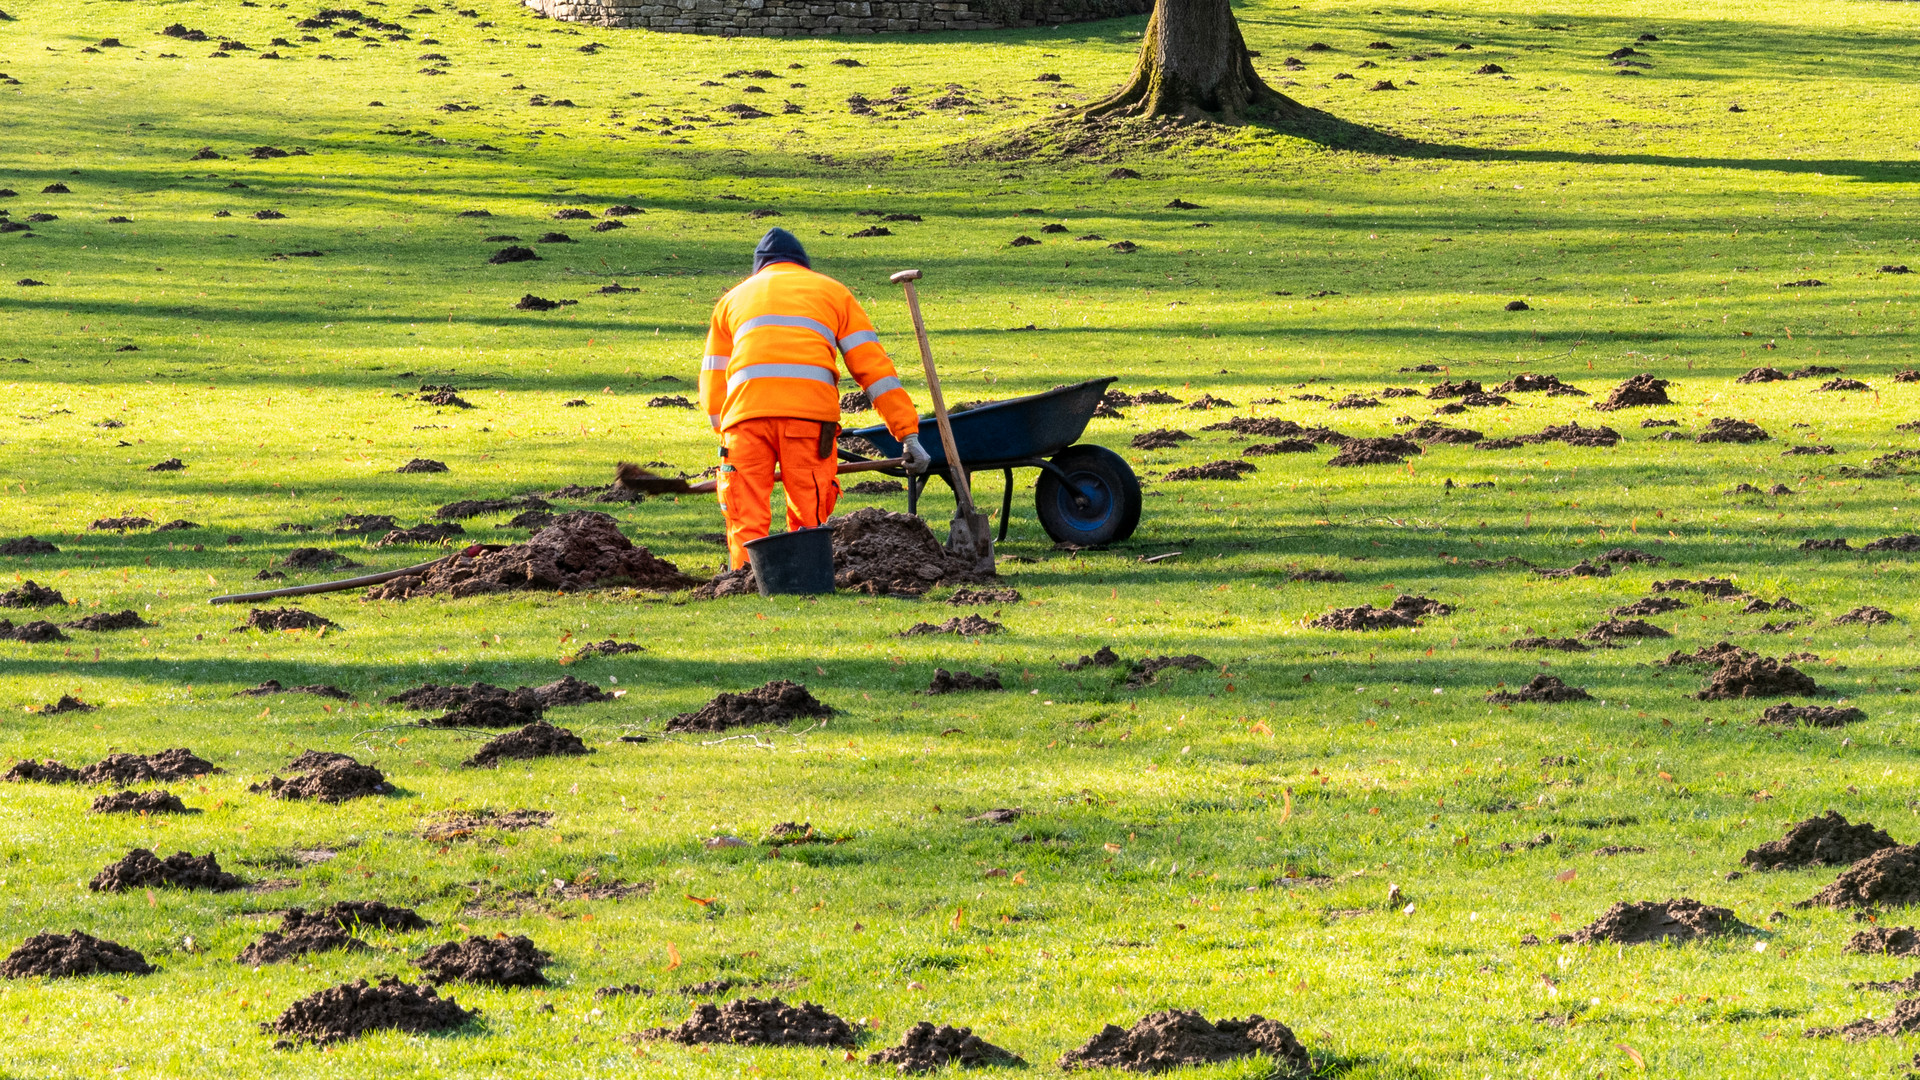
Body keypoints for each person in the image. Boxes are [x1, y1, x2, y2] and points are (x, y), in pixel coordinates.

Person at [699, 228, 932, 570]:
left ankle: (745, 581)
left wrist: (726, 435)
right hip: (809, 423)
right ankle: (806, 578)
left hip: (745, 422)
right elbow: (874, 370)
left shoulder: (732, 299)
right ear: (803, 265)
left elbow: (712, 380)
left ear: (759, 268)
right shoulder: (832, 292)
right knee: (810, 512)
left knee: (744, 514)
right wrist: (907, 434)